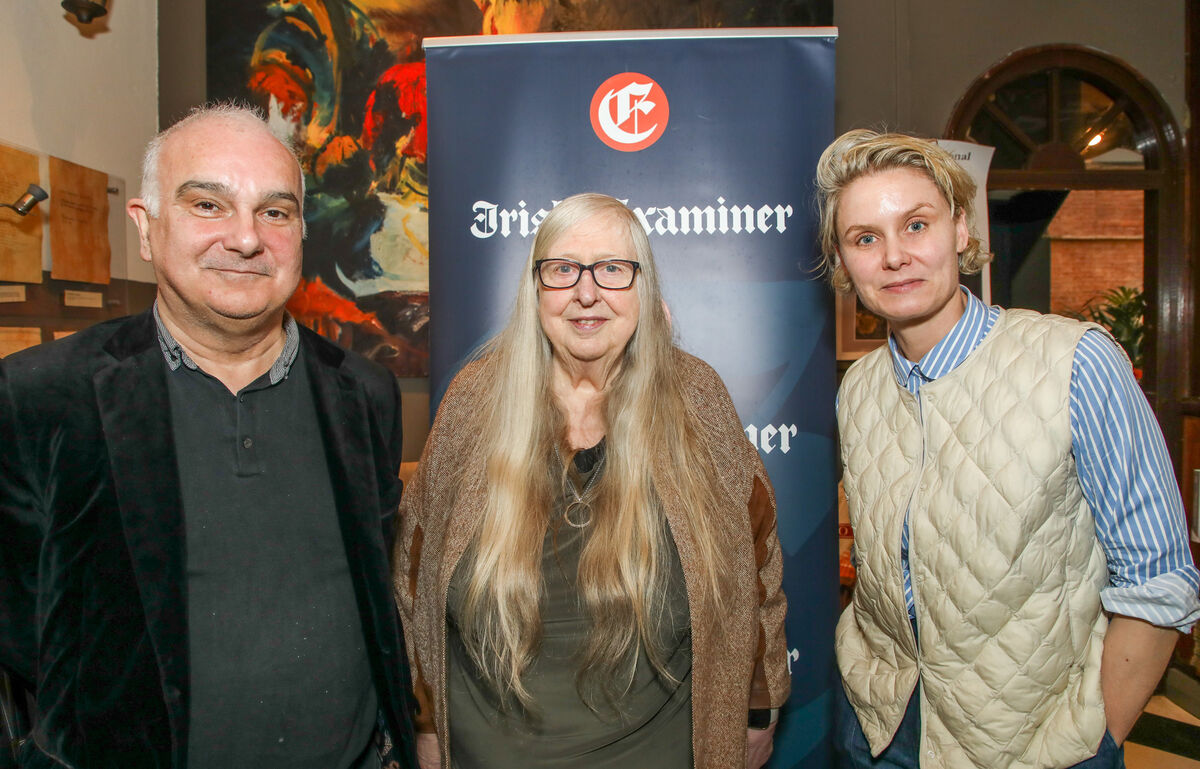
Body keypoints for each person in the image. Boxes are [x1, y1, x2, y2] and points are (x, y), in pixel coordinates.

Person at [0, 104, 417, 769]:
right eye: (208, 205)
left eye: (274, 212)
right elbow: (23, 630)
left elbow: (377, 593)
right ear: (146, 227)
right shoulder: (40, 395)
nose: (247, 238)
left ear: (301, 232)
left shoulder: (364, 393)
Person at [819, 129, 1200, 769]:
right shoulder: (857, 389)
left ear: (961, 229)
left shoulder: (1075, 362)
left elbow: (1158, 582)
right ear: (843, 260)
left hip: (1036, 742)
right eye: (865, 238)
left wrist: (1093, 739)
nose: (894, 257)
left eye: (916, 225)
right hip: (879, 730)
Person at [393, 193, 790, 769]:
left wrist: (757, 706)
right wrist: (425, 722)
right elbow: (413, 575)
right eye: (562, 269)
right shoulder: (473, 401)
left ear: (643, 288)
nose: (586, 292)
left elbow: (755, 561)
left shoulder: (696, 397)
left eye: (612, 269)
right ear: (535, 289)